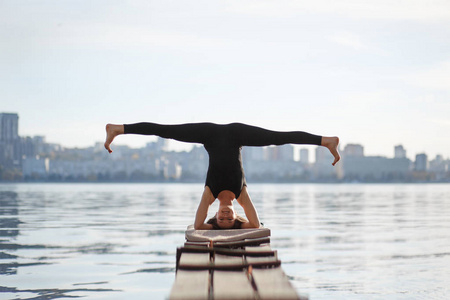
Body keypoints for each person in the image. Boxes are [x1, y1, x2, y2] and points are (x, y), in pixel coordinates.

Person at [104, 122, 340, 230]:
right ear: (236, 215)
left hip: (208, 134)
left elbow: (198, 225)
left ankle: (118, 128)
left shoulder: (209, 195)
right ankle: (326, 141)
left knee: (166, 131)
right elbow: (255, 224)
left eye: (221, 219)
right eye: (230, 219)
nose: (226, 217)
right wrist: (238, 228)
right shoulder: (241, 194)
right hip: (237, 134)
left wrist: (213, 229)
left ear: (215, 215)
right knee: (277, 137)